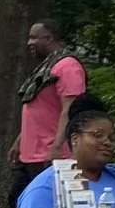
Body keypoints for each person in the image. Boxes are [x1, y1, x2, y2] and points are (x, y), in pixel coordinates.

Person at [14, 18, 85, 168]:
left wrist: (56, 148)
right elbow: (38, 110)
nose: (29, 43)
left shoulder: (68, 66)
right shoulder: (46, 67)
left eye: (34, 38)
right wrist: (20, 141)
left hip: (53, 156)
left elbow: (70, 110)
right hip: (30, 156)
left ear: (48, 39)